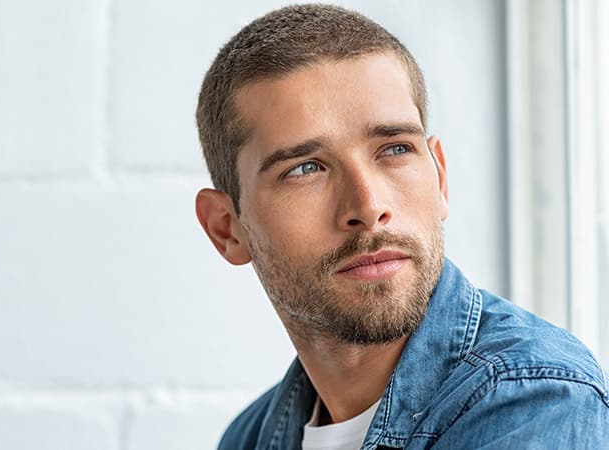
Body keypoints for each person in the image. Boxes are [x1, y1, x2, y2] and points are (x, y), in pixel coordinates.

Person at [193, 4, 609, 449]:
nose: (368, 207)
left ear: (440, 177)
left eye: (394, 149)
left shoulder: (534, 400)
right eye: (306, 168)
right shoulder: (249, 437)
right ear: (227, 228)